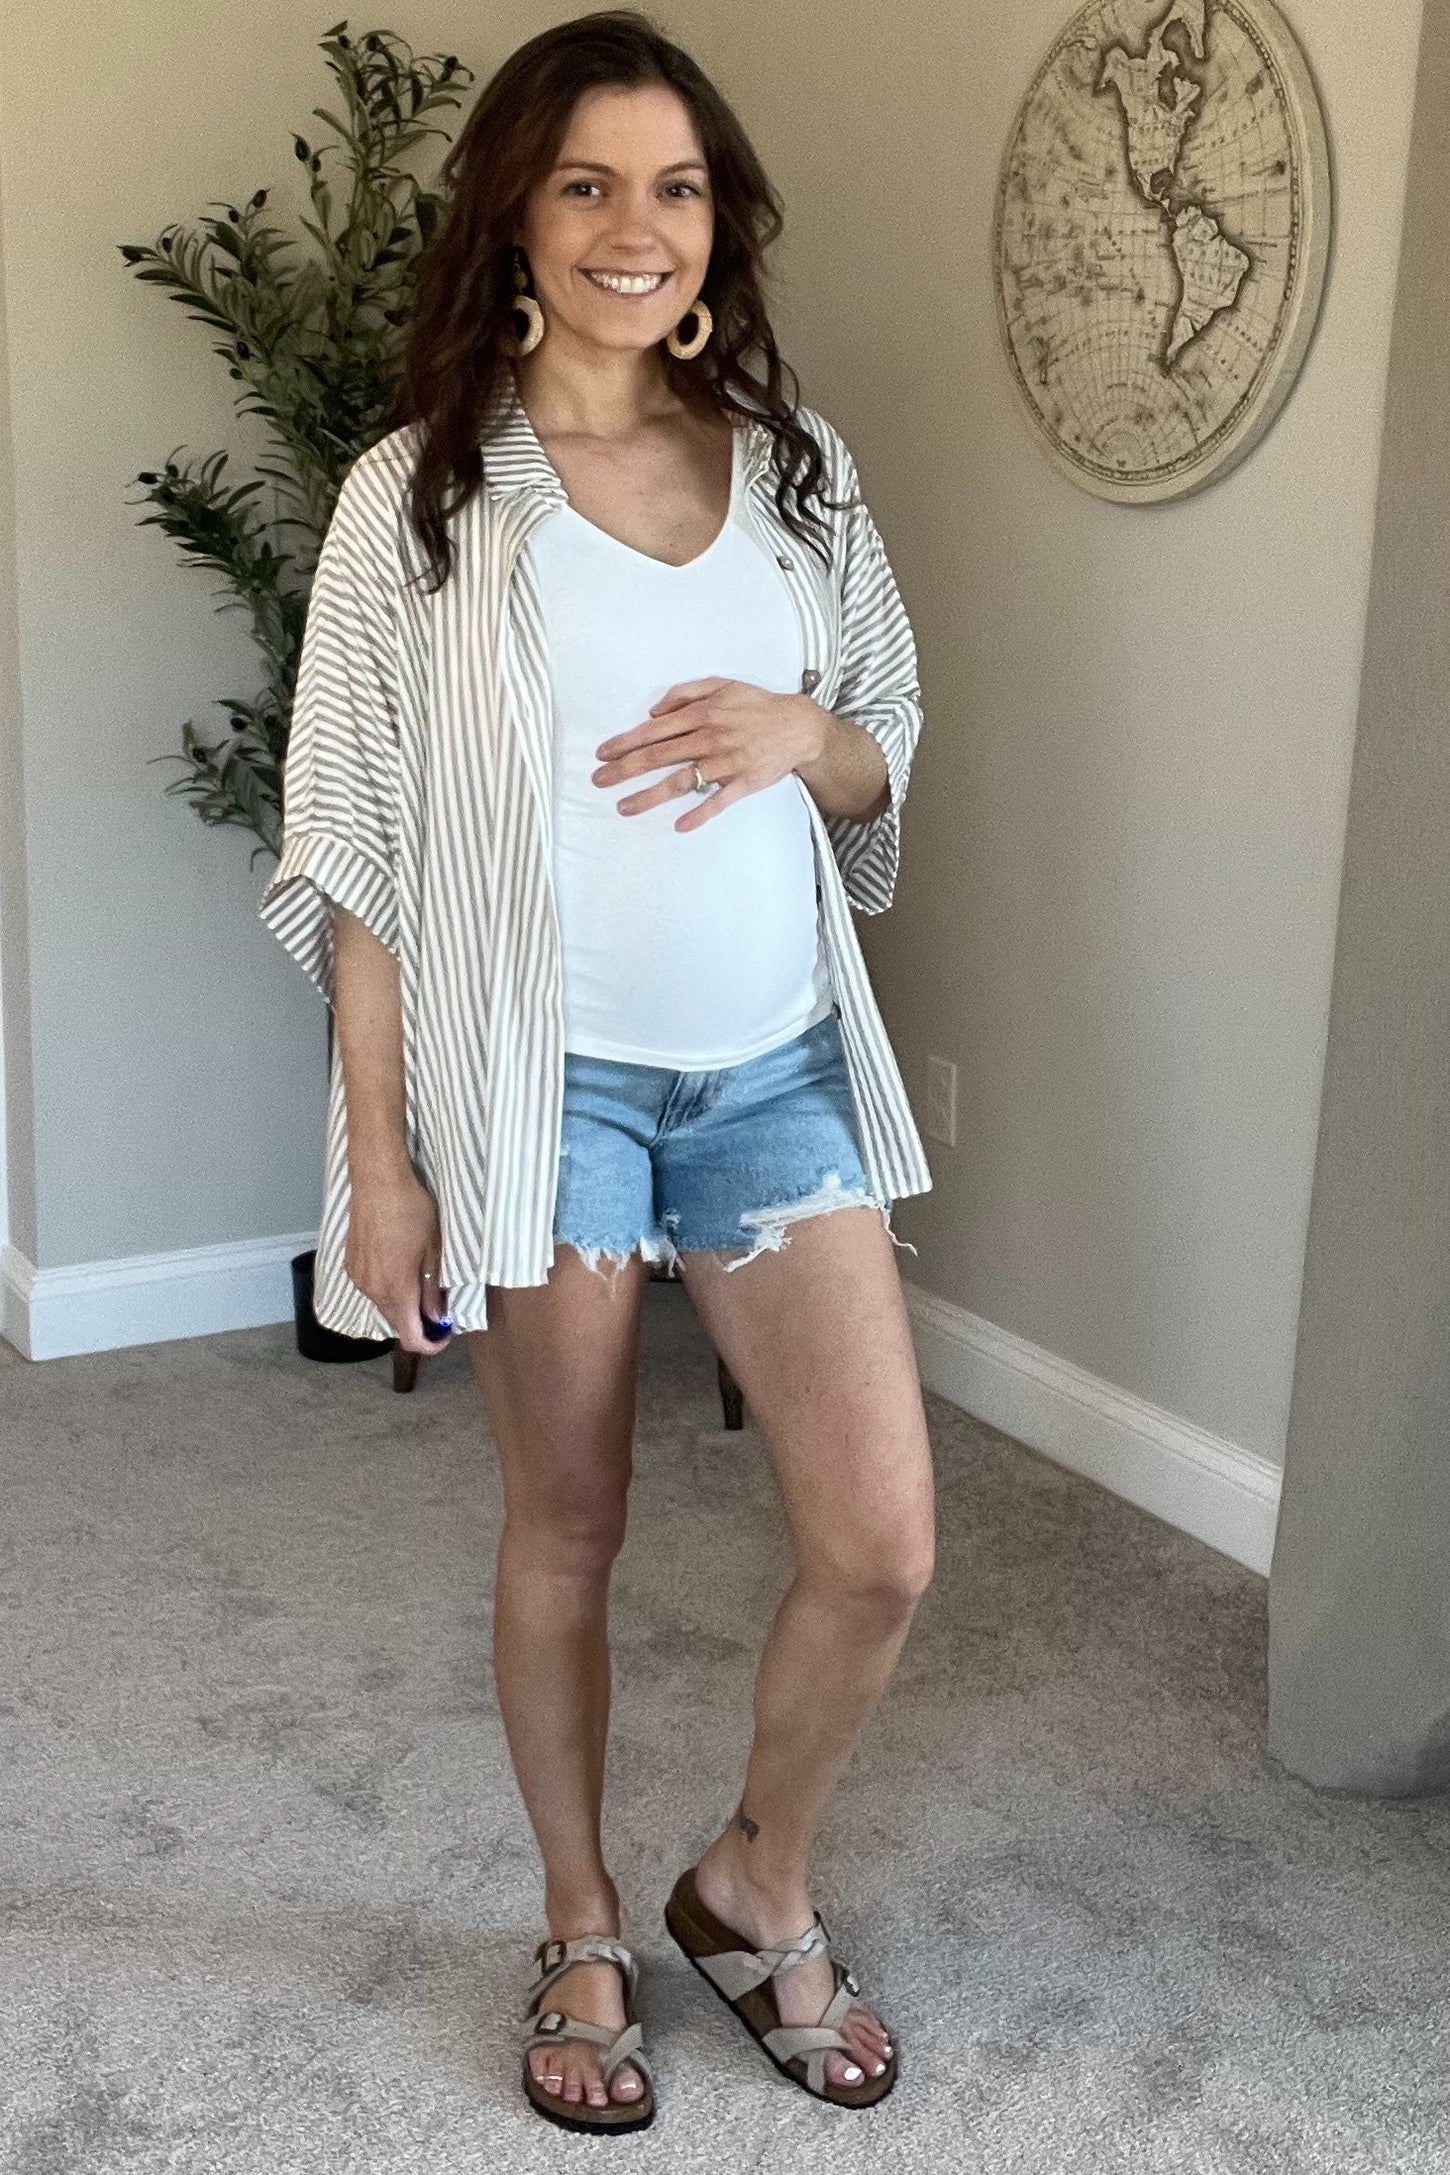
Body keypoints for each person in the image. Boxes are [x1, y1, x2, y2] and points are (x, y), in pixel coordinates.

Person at [259, 8, 936, 2137]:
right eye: (585, 184)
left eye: (675, 186)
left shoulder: (798, 472)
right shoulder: (418, 497)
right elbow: (355, 848)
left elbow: (882, 749)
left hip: (773, 1071)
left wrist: (802, 736)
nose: (635, 227)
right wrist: (383, 1164)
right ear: (515, 220)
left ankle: (750, 1882)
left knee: (880, 1547)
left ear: (718, 223)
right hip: (535, 1092)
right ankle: (576, 1919)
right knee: (566, 1523)